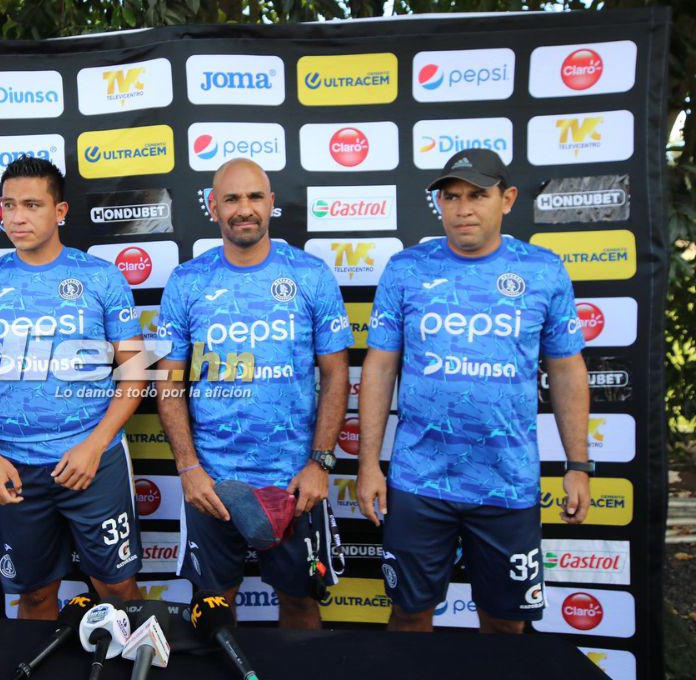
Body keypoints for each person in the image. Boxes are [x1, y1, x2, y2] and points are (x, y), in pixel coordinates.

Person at [356, 148, 592, 633]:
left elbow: (567, 370)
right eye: (451, 196)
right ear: (439, 204)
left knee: (507, 625)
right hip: (419, 481)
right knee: (407, 615)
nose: (463, 208)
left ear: (506, 200)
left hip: (507, 483)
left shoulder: (543, 271)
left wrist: (578, 465)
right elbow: (379, 368)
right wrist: (367, 465)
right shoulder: (406, 269)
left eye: (477, 195)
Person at [155, 158, 352, 629]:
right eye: (232, 198)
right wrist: (189, 469)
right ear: (213, 207)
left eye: (254, 197)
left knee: (302, 604)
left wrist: (320, 463)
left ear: (271, 203)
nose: (245, 209)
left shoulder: (311, 275)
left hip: (293, 483)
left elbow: (337, 374)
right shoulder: (187, 281)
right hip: (214, 483)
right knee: (214, 607)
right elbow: (169, 382)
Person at [0, 157, 146, 620]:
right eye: (9, 205)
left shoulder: (100, 277)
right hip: (15, 468)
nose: (17, 217)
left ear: (59, 212)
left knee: (118, 588)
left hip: (92, 462)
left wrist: (95, 446)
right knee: (35, 595)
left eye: (32, 205)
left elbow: (136, 371)